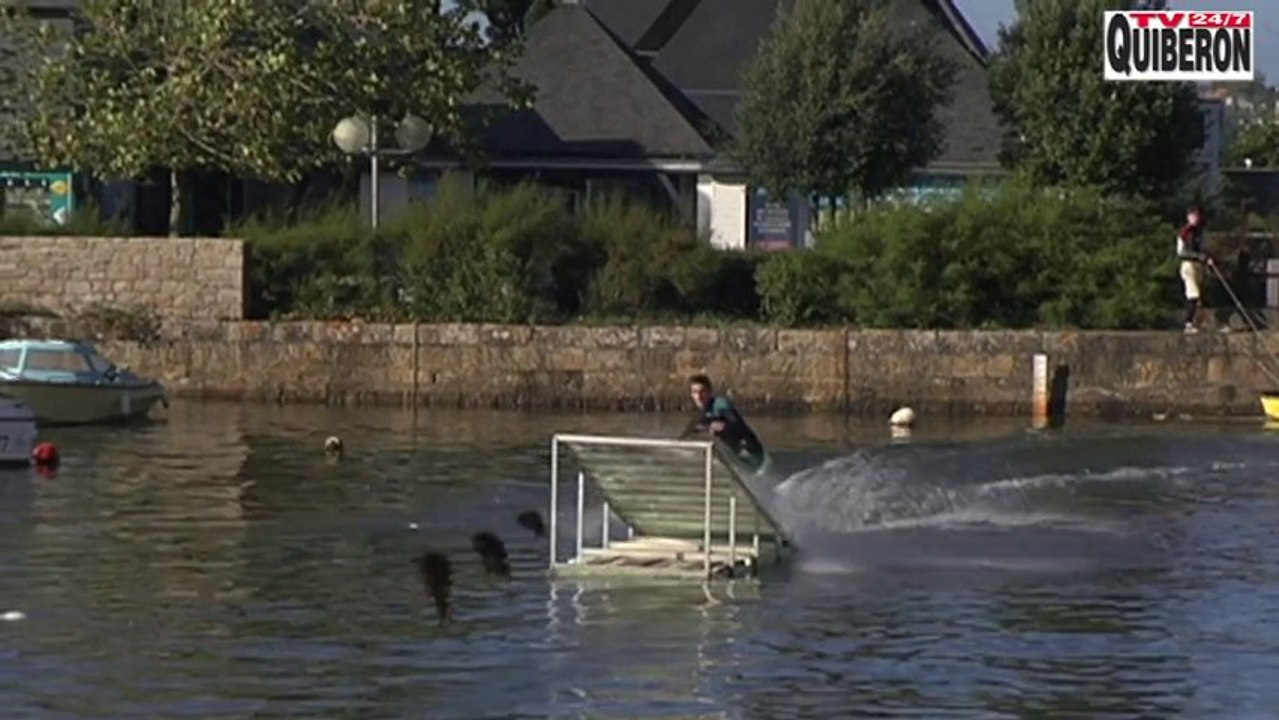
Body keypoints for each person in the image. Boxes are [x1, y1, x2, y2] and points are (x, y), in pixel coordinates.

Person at [680, 374, 768, 471]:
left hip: (750, 449)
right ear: (691, 395)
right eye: (695, 392)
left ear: (709, 392)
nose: (699, 396)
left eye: (702, 392)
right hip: (734, 453)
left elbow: (735, 424)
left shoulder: (721, 404)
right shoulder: (700, 414)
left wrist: (725, 426)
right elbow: (686, 435)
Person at [1176, 204, 1218, 334]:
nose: (1195, 218)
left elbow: (1202, 249)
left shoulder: (1199, 232)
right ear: (1188, 217)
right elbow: (1181, 252)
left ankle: (1197, 322)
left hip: (1198, 265)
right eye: (1193, 216)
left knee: (1199, 296)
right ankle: (1188, 323)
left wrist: (1207, 258)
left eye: (1197, 216)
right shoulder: (1184, 232)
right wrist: (1201, 257)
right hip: (1188, 265)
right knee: (1193, 294)